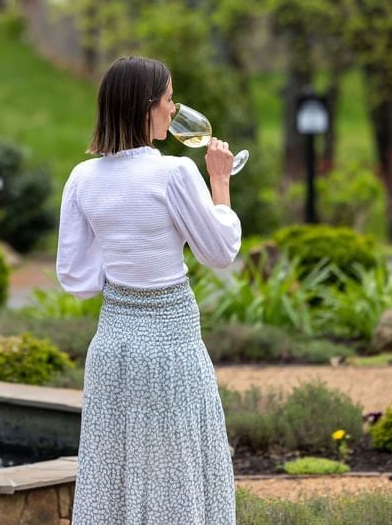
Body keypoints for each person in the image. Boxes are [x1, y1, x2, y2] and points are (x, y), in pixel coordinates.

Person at [56, 56, 240, 525]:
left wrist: (123, 252)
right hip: (171, 344)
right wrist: (219, 182)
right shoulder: (176, 173)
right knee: (177, 468)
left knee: (112, 471)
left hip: (113, 346)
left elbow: (75, 278)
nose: (173, 108)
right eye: (169, 98)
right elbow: (219, 252)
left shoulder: (82, 178)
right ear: (147, 107)